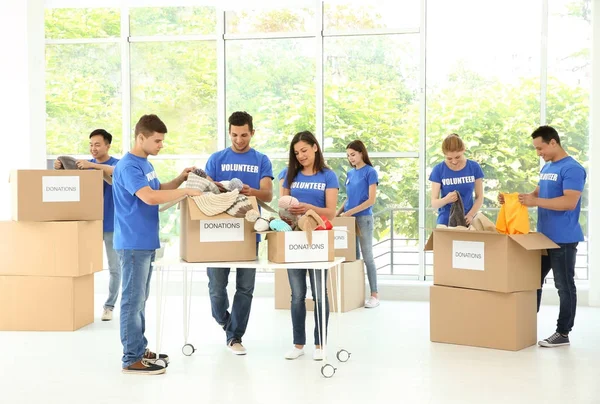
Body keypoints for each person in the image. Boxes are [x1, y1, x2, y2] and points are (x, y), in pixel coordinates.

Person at [113, 114, 201, 374]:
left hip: (144, 241)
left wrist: (180, 179)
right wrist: (185, 192)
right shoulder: (129, 166)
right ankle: (131, 357)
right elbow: (150, 197)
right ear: (141, 137)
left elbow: (158, 187)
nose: (161, 145)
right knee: (132, 300)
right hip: (132, 242)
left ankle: (139, 348)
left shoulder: (144, 164)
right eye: (157, 140)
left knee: (140, 299)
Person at [499, 125, 586, 348]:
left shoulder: (572, 169)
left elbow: (569, 202)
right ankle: (525, 324)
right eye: (537, 149)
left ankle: (563, 333)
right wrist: (513, 200)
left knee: (564, 286)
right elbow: (535, 195)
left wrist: (534, 202)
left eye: (540, 148)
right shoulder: (547, 167)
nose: (538, 153)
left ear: (553, 142)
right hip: (542, 237)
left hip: (563, 239)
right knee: (531, 281)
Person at [204, 111, 273, 355]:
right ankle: (227, 323)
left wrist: (251, 190)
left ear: (252, 133)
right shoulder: (216, 158)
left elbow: (268, 194)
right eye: (234, 135)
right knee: (216, 287)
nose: (239, 140)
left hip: (248, 231)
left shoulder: (262, 160)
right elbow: (206, 191)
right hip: (217, 233)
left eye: (244, 135)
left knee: (245, 287)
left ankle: (235, 337)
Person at [282, 131, 339, 361]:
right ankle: (298, 345)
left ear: (315, 147)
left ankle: (320, 344)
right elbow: (282, 208)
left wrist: (307, 207)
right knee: (297, 295)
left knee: (319, 294)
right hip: (294, 239)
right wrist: (289, 211)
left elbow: (331, 213)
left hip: (318, 240)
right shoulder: (289, 175)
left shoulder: (329, 176)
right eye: (297, 153)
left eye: (304, 150)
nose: (301, 156)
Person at [56, 129, 120, 321]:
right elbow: (69, 186)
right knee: (80, 265)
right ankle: (77, 304)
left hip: (111, 223)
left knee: (115, 267)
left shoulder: (117, 164)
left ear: (108, 145)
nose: (93, 148)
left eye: (98, 144)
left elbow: (116, 176)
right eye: (91, 144)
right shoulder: (84, 165)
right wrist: (60, 168)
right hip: (89, 224)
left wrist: (93, 168)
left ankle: (109, 306)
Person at [336, 140, 380, 308]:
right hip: (348, 219)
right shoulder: (350, 173)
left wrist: (350, 212)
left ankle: (374, 295)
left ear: (362, 153)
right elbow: (348, 198)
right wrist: (339, 213)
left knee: (367, 256)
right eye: (348, 156)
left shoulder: (370, 172)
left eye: (353, 154)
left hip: (363, 219)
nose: (351, 158)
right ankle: (355, 294)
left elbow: (371, 200)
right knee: (352, 257)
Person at [429, 133, 484, 226]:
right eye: (449, 158)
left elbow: (480, 197)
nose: (454, 161)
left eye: (458, 157)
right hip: (445, 221)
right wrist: (446, 200)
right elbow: (434, 203)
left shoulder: (474, 167)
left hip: (468, 220)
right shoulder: (438, 170)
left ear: (464, 150)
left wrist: (471, 215)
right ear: (444, 155)